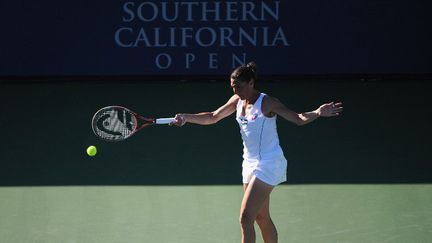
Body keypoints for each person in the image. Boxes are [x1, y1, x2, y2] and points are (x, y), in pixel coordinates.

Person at [171, 62, 343, 243]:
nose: (235, 91)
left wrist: (317, 112)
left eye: (239, 86)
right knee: (261, 218)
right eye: (232, 87)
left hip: (269, 163)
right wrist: (186, 117)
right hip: (249, 163)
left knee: (245, 218)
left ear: (251, 83)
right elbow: (213, 117)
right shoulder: (237, 100)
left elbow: (298, 119)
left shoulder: (268, 102)